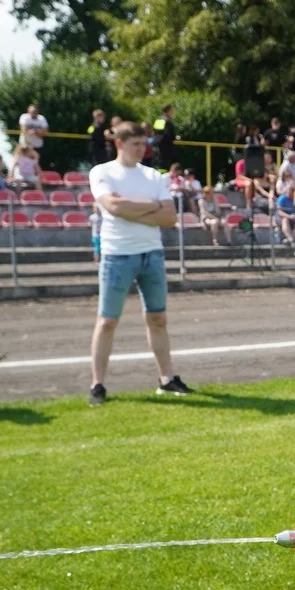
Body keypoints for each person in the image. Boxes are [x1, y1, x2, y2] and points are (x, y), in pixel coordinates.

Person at [87, 121, 192, 406]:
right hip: (117, 254)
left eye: (143, 144)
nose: (141, 149)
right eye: (135, 144)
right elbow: (112, 207)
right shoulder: (102, 172)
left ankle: (166, 379)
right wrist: (151, 207)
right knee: (108, 321)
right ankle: (98, 384)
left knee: (158, 318)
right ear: (119, 144)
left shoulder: (154, 176)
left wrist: (130, 209)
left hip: (151, 254)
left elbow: (169, 218)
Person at [152, 105, 178, 169]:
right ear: (168, 110)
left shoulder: (158, 120)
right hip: (165, 148)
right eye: (172, 110)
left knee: (157, 165)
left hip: (156, 146)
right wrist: (175, 138)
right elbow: (169, 134)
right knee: (165, 166)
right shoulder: (168, 121)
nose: (173, 111)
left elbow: (155, 132)